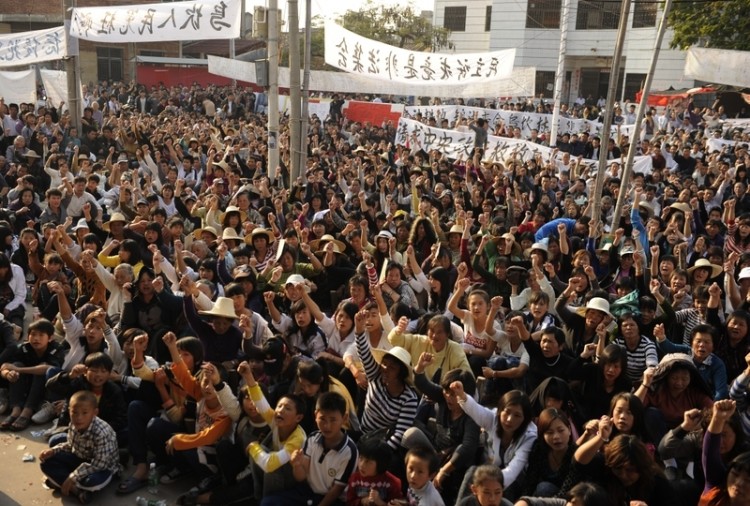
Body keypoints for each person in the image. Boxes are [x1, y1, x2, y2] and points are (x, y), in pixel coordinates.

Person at [263, 391, 359, 506]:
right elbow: (301, 477)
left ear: (344, 418)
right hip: (307, 492)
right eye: (322, 419)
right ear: (315, 416)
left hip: (331, 500)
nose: (327, 426)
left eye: (333, 420)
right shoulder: (312, 438)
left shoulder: (349, 451)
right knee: (268, 502)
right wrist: (297, 465)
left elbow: (336, 490)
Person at [239, 359, 306, 502]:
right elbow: (260, 404)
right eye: (279, 406)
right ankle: (259, 499)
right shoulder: (277, 420)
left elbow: (270, 465)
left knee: (269, 465)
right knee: (262, 451)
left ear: (298, 418)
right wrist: (248, 376)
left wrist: (253, 447)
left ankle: (266, 501)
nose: (280, 411)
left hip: (294, 481)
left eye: (287, 408)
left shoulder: (298, 438)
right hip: (277, 470)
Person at [39, 390, 120, 504]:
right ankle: (77, 491)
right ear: (69, 411)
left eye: (84, 413)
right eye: (74, 412)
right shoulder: (73, 424)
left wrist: (73, 476)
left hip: (103, 467)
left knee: (91, 482)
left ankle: (62, 481)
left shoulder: (102, 432)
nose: (79, 418)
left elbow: (99, 465)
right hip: (81, 456)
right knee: (45, 461)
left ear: (95, 413)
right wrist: (53, 451)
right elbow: (71, 445)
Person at [346, 438, 403, 506]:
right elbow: (349, 502)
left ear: (381, 464)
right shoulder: (355, 479)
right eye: (361, 458)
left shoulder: (392, 483)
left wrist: (380, 502)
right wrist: (362, 501)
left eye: (368, 462)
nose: (362, 465)